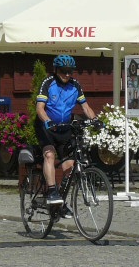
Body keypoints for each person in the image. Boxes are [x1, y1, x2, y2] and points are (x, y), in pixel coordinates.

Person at [35, 54, 97, 207]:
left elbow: (85, 107)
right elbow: (39, 108)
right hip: (46, 127)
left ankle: (61, 204)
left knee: (69, 166)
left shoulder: (75, 85)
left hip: (64, 128)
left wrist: (95, 120)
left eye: (70, 71)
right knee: (49, 155)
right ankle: (51, 191)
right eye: (64, 71)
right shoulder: (48, 83)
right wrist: (47, 121)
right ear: (56, 70)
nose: (67, 74)